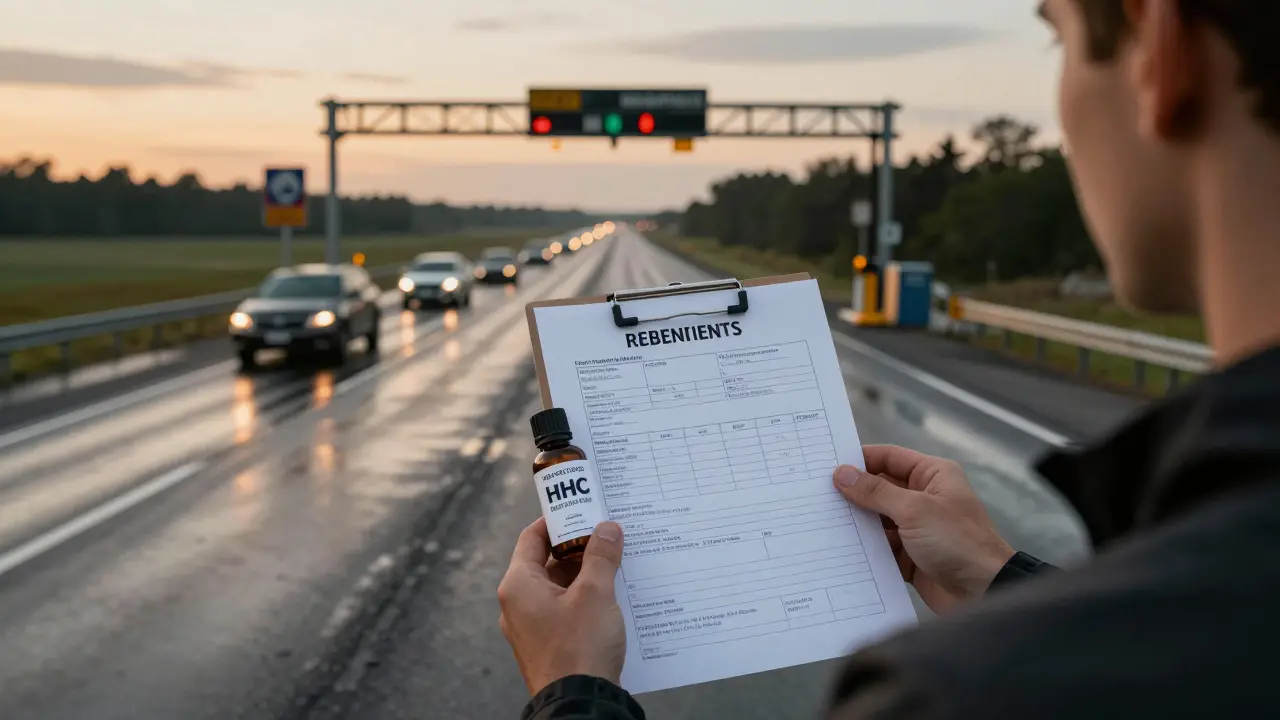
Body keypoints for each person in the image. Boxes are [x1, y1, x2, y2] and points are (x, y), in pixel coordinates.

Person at [498, 0, 1280, 717]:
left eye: (1058, 38)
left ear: (1159, 48)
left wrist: (575, 694)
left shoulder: (962, 694)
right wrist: (999, 580)